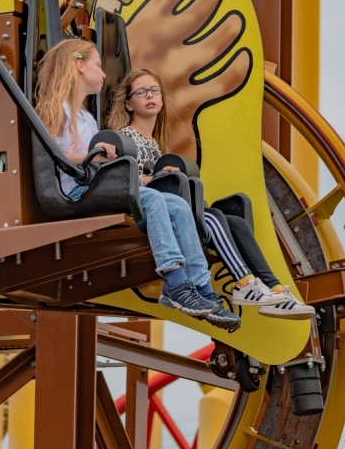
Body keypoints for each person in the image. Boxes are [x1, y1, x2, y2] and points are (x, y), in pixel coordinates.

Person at [35, 38, 239, 330]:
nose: (104, 75)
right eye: (98, 66)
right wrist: (94, 157)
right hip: (74, 192)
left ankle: (201, 287)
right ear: (79, 66)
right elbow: (51, 156)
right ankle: (174, 280)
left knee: (178, 205)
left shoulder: (87, 119)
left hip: (93, 184)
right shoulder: (58, 110)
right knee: (152, 200)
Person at [108, 67, 314, 320]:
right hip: (148, 210)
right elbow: (123, 179)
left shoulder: (153, 142)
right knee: (212, 217)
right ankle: (245, 283)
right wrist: (157, 177)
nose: (149, 96)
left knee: (235, 222)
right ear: (128, 104)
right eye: (141, 92)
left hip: (169, 205)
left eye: (154, 90)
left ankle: (275, 289)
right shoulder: (126, 136)